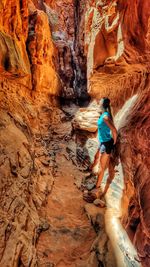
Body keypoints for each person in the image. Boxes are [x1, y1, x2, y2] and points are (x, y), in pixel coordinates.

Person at [89, 97, 117, 198]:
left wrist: (113, 143)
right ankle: (92, 171)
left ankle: (97, 186)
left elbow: (114, 130)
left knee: (102, 167)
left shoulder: (105, 116)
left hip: (106, 144)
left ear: (102, 105)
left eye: (99, 102)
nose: (98, 103)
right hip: (103, 143)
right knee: (97, 159)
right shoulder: (104, 115)